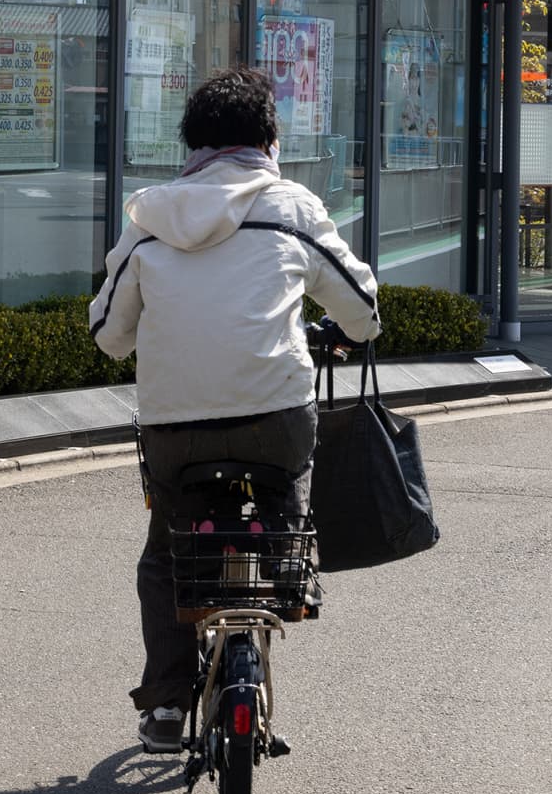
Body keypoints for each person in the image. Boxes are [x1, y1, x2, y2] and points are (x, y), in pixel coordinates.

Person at [88, 65, 379, 752]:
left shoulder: (150, 218)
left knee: (165, 556)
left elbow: (107, 336)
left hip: (174, 429)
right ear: (269, 140)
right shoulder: (292, 208)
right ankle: (279, 577)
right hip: (275, 418)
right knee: (286, 503)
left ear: (189, 144)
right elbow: (363, 313)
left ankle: (164, 704)